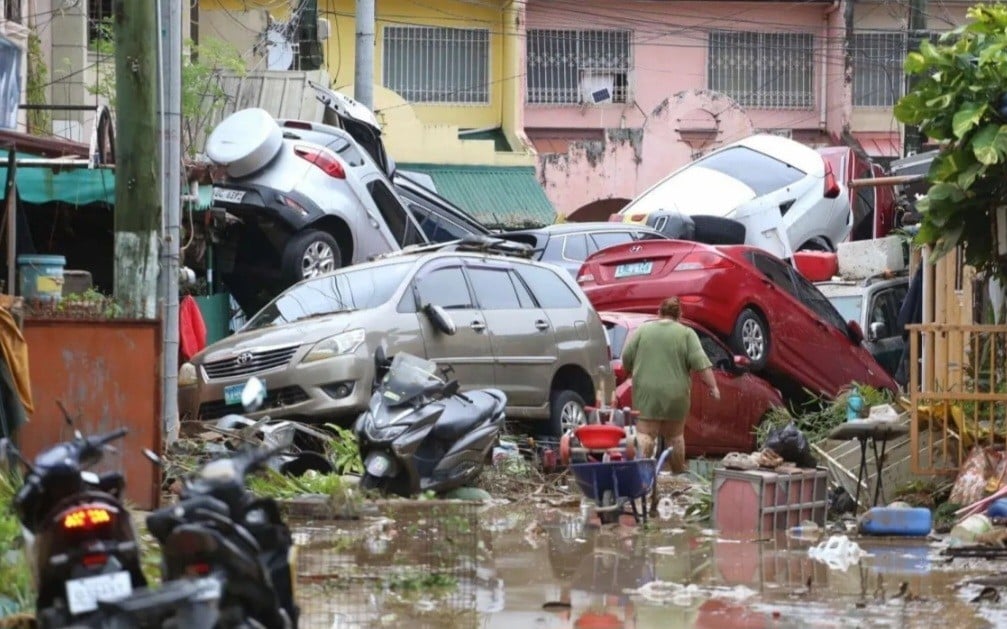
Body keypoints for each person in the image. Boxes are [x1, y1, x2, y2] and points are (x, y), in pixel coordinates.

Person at [621, 296, 720, 476]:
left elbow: (626, 358)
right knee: (675, 437)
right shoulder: (687, 334)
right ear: (679, 315)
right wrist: (713, 387)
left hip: (646, 393)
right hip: (676, 394)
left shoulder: (643, 330)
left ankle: (640, 476)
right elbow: (701, 363)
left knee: (645, 435)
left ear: (659, 312)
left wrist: (629, 371)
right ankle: (678, 476)